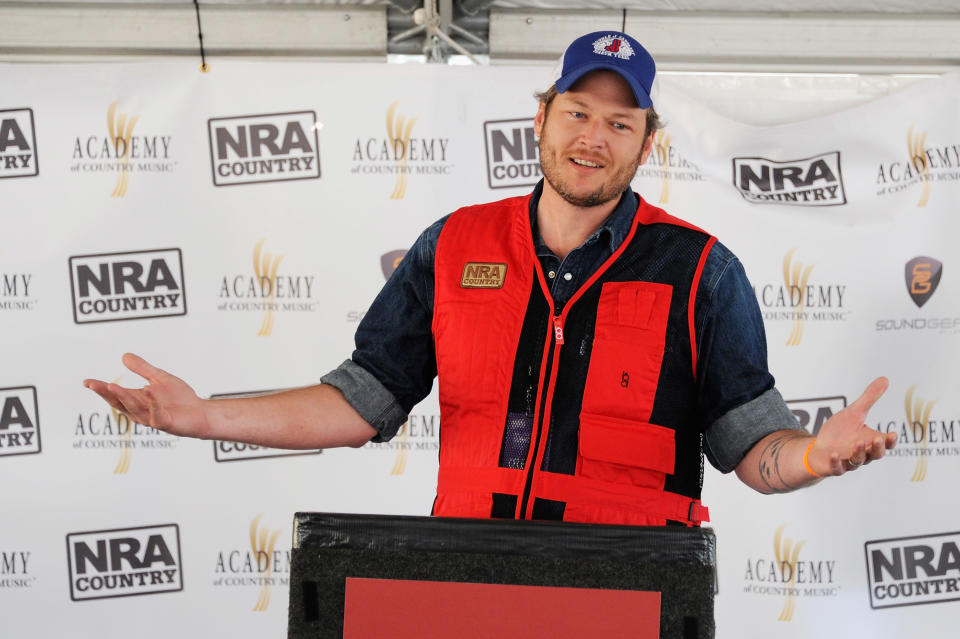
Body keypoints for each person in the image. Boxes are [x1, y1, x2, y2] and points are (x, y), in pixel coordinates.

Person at [84, 31, 896, 526]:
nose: (594, 136)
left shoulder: (702, 273)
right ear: (540, 119)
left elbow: (754, 447)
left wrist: (811, 457)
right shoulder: (453, 245)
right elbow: (359, 402)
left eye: (621, 122)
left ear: (645, 144)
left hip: (632, 594)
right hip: (472, 581)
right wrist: (202, 415)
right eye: (578, 111)